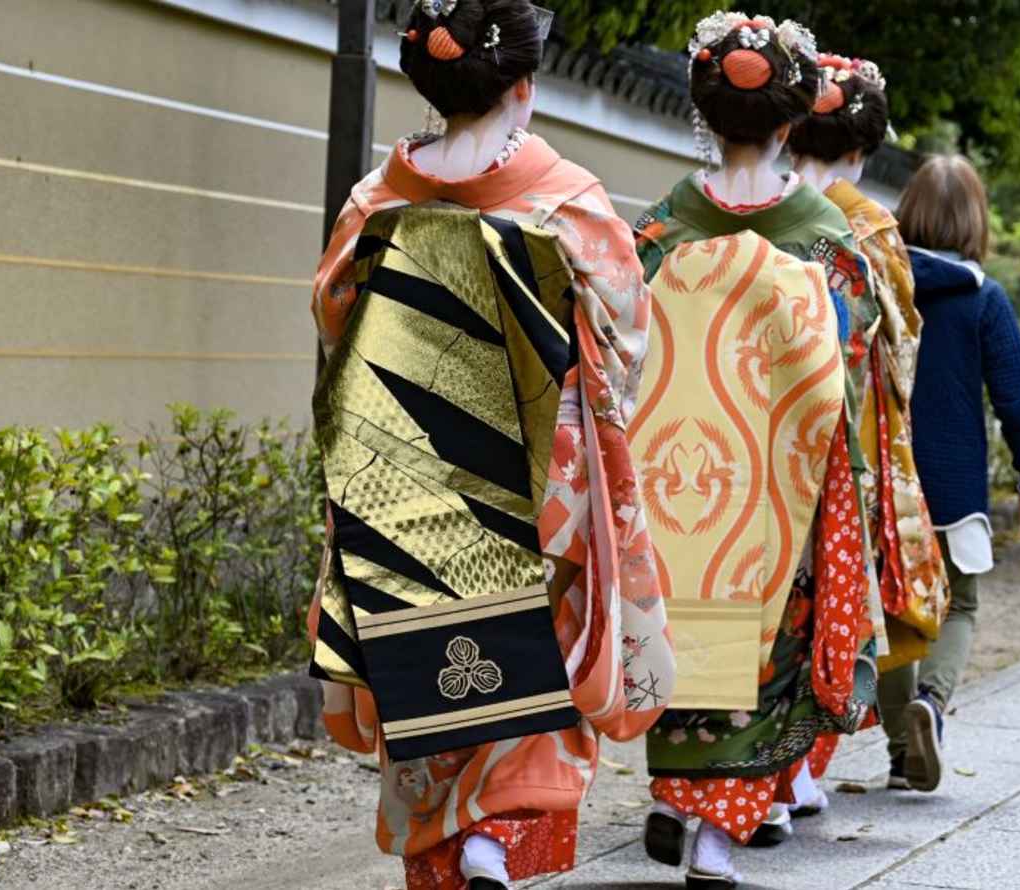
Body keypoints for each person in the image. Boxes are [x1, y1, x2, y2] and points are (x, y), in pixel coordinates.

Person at [306, 2, 674, 888]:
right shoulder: (567, 201)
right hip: (540, 474)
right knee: (537, 656)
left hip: (402, 466)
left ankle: (449, 840)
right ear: (525, 87)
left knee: (423, 653)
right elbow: (624, 334)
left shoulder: (375, 201)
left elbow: (333, 320)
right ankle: (495, 837)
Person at [631, 12, 881, 888]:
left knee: (681, 622)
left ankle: (674, 799)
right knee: (770, 646)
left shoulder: (662, 227)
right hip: (782, 485)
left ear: (705, 115)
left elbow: (621, 344)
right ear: (791, 122)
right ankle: (714, 836)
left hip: (676, 479)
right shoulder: (827, 237)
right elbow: (851, 352)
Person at [784, 53, 950, 812]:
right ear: (861, 148)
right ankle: (796, 769)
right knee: (833, 591)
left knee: (767, 588)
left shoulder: (758, 205)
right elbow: (901, 337)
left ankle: (752, 767)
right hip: (846, 431)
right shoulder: (872, 226)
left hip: (759, 419)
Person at [879, 155, 1020, 794]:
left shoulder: (880, 284)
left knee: (893, 614)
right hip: (954, 485)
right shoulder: (984, 298)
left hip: (887, 479)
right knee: (960, 605)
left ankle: (902, 754)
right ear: (977, 220)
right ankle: (933, 701)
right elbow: (1016, 400)